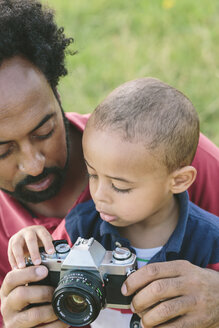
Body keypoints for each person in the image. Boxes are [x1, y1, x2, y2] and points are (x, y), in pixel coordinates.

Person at [0, 0, 219, 327]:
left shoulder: (166, 154)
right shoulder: (61, 229)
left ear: (57, 94)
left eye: (44, 130)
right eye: (2, 151)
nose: (33, 164)